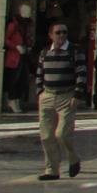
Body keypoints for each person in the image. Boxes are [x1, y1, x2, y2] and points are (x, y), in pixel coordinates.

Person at [35, 21, 87, 180]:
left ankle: (73, 158)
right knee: (46, 136)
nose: (62, 35)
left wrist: (77, 94)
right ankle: (52, 170)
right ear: (51, 35)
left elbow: (82, 73)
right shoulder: (45, 53)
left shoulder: (74, 51)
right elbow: (39, 73)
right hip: (47, 96)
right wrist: (40, 92)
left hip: (66, 95)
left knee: (62, 134)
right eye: (58, 33)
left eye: (64, 32)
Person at [3, 3, 34, 114]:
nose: (28, 12)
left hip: (24, 54)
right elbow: (6, 39)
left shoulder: (28, 24)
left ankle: (16, 100)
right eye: (26, 10)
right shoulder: (13, 24)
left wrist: (29, 45)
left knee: (23, 78)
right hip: (14, 56)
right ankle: (11, 100)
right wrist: (16, 47)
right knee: (13, 79)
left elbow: (29, 37)